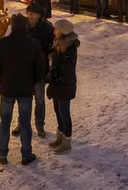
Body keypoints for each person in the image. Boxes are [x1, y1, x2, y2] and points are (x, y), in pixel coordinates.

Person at [0, 13, 45, 165]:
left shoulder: (3, 43)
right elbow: (40, 67)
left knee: (5, 122)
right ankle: (26, 154)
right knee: (25, 123)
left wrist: (1, 80)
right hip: (25, 89)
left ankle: (2, 153)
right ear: (26, 26)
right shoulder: (33, 44)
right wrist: (33, 81)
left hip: (7, 88)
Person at [13, 3, 54, 139]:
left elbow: (52, 49)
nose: (29, 16)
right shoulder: (22, 26)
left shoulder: (47, 29)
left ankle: (39, 125)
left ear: (39, 16)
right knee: (24, 99)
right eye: (28, 13)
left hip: (39, 70)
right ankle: (22, 124)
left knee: (39, 100)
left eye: (32, 14)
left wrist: (49, 67)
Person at [46, 19, 79, 155]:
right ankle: (60, 137)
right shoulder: (58, 43)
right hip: (57, 84)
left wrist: (54, 72)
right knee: (57, 111)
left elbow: (66, 69)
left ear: (63, 31)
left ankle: (66, 142)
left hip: (64, 85)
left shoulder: (69, 48)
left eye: (57, 29)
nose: (54, 31)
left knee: (64, 113)